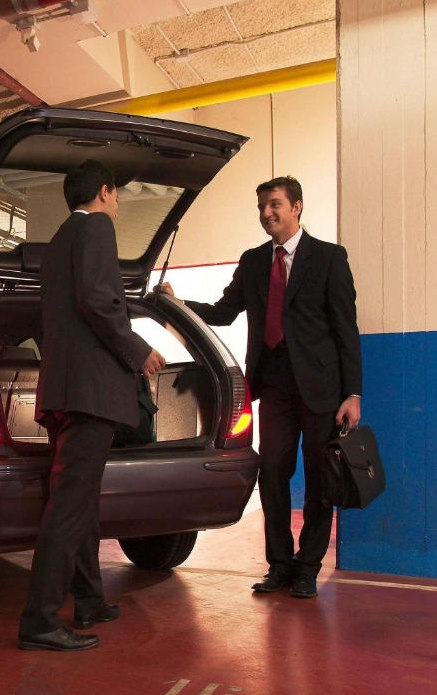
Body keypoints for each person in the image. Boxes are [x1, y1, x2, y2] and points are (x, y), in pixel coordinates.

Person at [158, 176, 361, 599]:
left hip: (322, 388)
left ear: (297, 207)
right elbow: (223, 312)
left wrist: (353, 393)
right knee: (271, 474)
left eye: (275, 205)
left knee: (322, 481)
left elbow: (346, 331)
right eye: (262, 208)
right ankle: (279, 566)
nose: (267, 214)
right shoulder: (253, 262)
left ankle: (307, 569)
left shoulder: (328, 257)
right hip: (273, 386)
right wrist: (176, 304)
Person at [18, 160, 165, 651]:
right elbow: (100, 301)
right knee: (69, 507)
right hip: (91, 392)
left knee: (79, 503)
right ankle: (39, 620)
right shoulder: (97, 227)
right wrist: (138, 350)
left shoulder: (59, 240)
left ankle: (89, 599)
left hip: (63, 392)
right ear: (105, 192)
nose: (118, 203)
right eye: (118, 194)